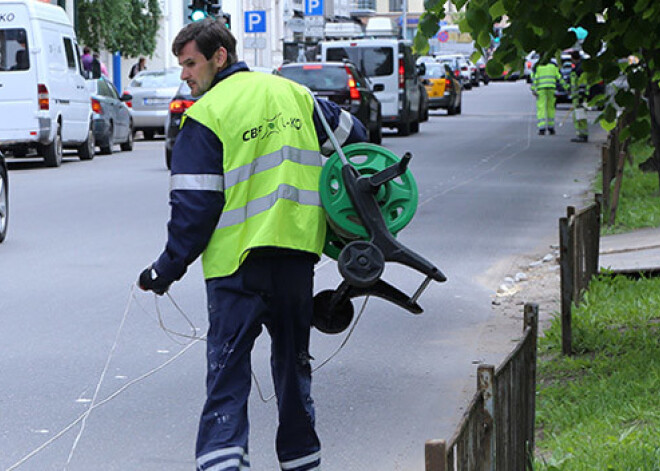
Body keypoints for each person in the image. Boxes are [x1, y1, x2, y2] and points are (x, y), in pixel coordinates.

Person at [137, 18, 367, 471]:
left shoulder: (206, 115)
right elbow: (354, 141)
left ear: (219, 57)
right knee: (293, 371)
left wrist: (164, 270)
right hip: (295, 261)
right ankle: (302, 461)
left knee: (227, 375)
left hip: (235, 268)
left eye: (190, 63)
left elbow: (194, 210)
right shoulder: (296, 95)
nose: (184, 74)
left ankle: (224, 462)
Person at [531, 58, 564, 135]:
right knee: (551, 108)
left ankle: (541, 128)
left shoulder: (538, 66)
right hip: (551, 88)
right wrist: (566, 87)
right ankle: (551, 127)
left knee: (541, 107)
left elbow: (534, 78)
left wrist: (533, 89)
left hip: (541, 89)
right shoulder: (553, 65)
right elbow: (559, 77)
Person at [570, 50, 589, 142]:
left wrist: (581, 95)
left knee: (580, 116)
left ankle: (582, 135)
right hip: (579, 97)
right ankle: (581, 134)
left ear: (573, 59)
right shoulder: (580, 67)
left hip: (579, 97)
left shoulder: (579, 69)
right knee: (579, 116)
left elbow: (582, 83)